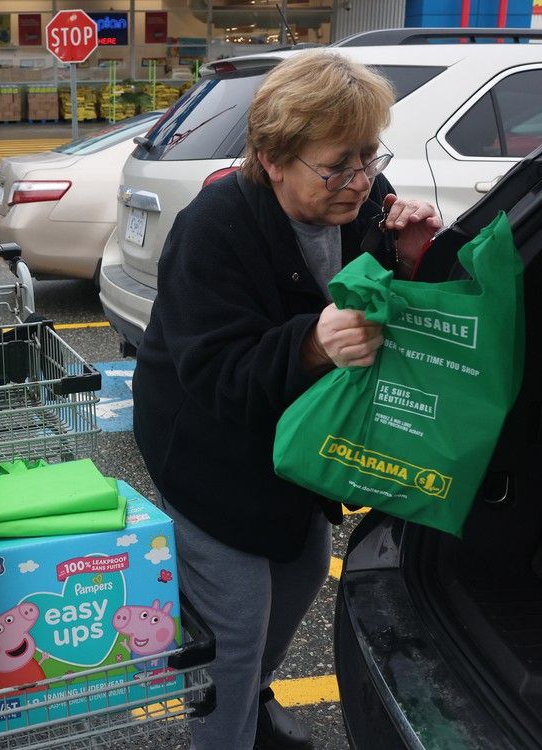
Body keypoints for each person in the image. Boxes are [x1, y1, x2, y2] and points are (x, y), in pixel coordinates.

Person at [132, 51, 442, 749]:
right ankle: (229, 721)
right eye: (338, 166)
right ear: (273, 158)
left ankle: (244, 702)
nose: (360, 182)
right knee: (235, 623)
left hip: (293, 442)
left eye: (370, 157)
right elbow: (215, 372)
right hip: (206, 448)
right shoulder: (217, 227)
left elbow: (381, 295)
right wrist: (311, 344)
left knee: (302, 569)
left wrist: (415, 254)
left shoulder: (366, 199)